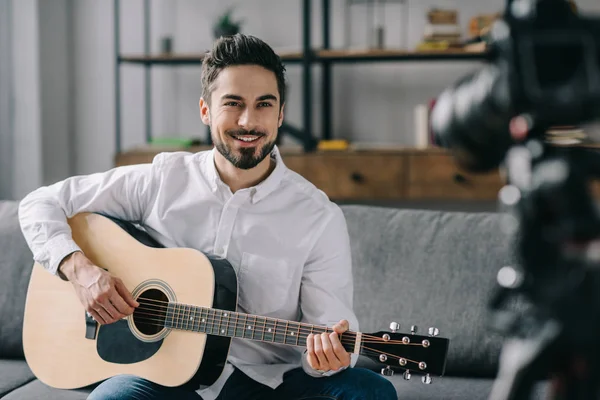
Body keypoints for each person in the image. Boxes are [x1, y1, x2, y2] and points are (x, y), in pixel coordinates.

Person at [18, 34, 397, 400]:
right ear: (205, 110)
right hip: (160, 376)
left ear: (281, 114)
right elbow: (40, 203)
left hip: (265, 384)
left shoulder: (318, 217)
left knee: (370, 391)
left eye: (264, 104)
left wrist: (326, 358)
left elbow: (327, 336)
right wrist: (80, 271)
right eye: (233, 103)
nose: (249, 121)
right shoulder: (162, 179)